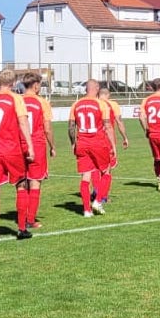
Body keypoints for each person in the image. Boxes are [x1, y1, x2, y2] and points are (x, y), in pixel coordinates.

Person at [0, 69, 36, 244]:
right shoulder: (16, 98)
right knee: (21, 184)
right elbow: (23, 122)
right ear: (13, 83)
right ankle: (21, 228)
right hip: (12, 150)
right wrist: (30, 147)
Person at [69, 80, 116, 216]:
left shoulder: (76, 104)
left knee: (85, 176)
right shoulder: (102, 104)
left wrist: (73, 143)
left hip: (82, 143)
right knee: (106, 172)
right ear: (96, 89)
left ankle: (86, 210)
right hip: (98, 142)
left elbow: (71, 126)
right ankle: (98, 201)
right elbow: (107, 126)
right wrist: (113, 145)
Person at [20, 72, 56, 229]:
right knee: (35, 182)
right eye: (40, 85)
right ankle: (30, 219)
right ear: (35, 85)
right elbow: (47, 128)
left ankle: (22, 219)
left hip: (19, 145)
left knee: (22, 183)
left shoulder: (17, 100)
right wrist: (52, 146)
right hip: (37, 144)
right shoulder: (42, 102)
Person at [99, 86, 129, 198]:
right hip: (108, 140)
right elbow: (119, 122)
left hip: (94, 139)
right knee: (107, 169)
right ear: (108, 94)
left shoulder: (94, 103)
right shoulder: (113, 104)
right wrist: (125, 137)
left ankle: (97, 191)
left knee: (96, 168)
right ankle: (103, 195)